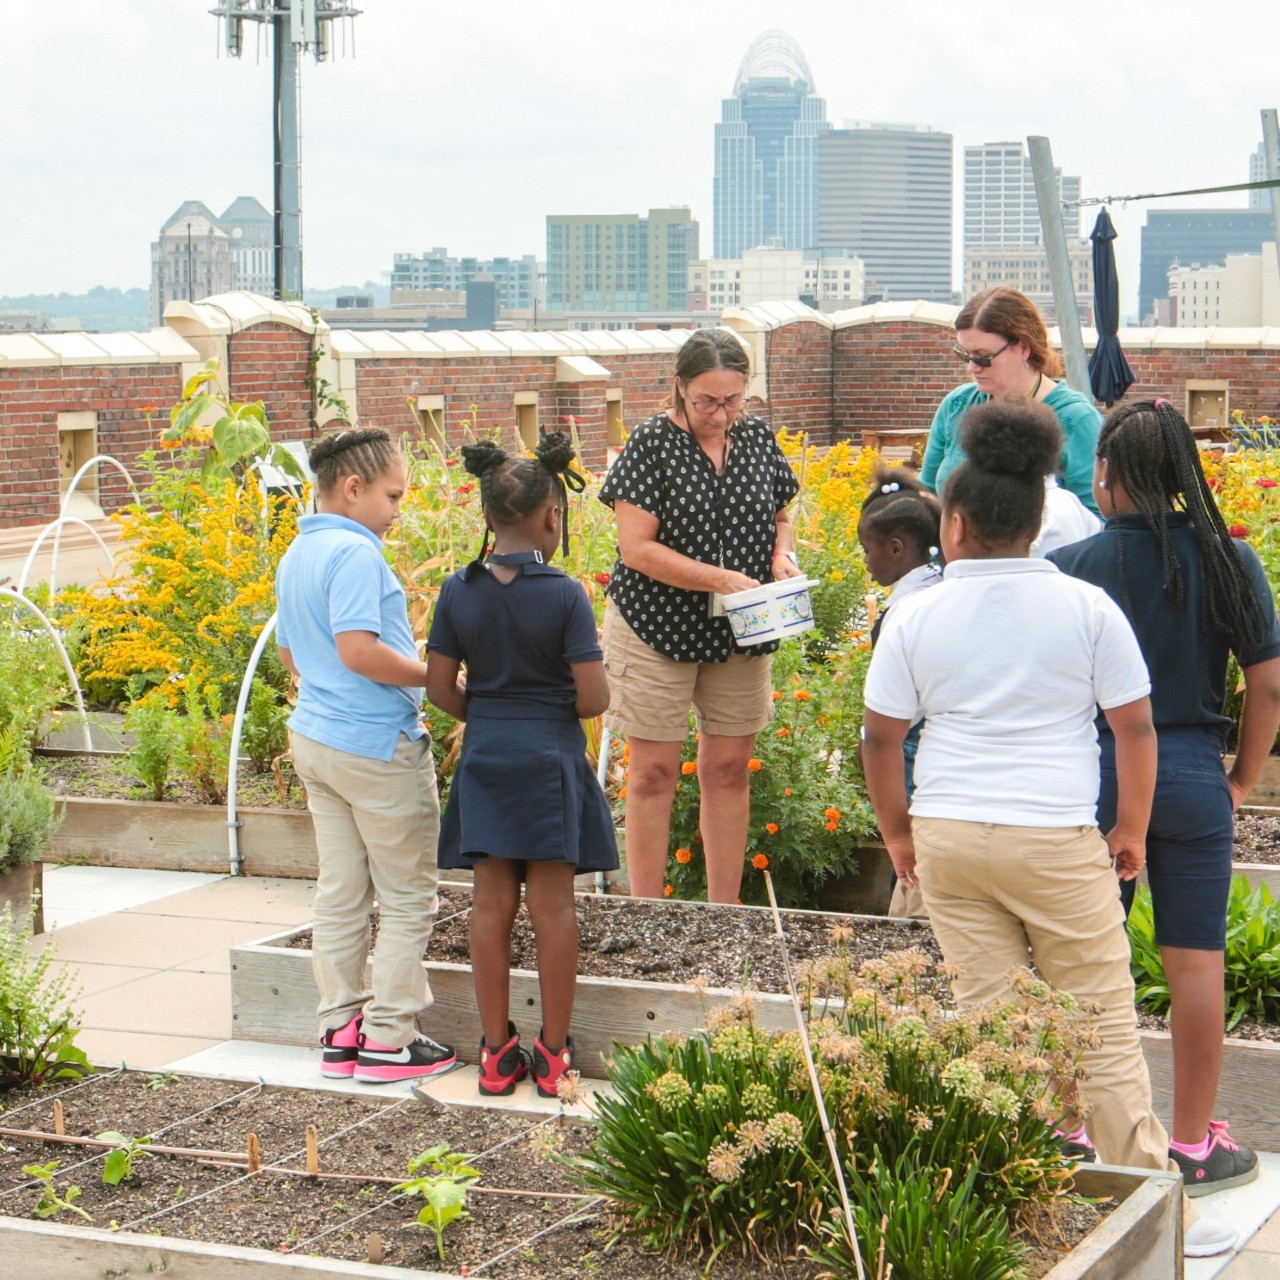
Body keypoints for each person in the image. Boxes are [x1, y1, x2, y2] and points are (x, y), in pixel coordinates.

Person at [861, 399, 1237, 1259]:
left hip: (950, 834)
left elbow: (881, 739)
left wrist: (898, 837)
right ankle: (1158, 1214)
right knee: (1099, 1028)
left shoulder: (916, 612)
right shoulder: (1086, 607)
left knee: (995, 1033)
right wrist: (1131, 827)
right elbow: (1133, 728)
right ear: (1039, 518)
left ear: (950, 523)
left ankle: (1014, 1213)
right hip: (1057, 836)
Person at [1050, 398, 1280, 1196]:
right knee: (1195, 962)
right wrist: (1242, 779)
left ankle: (1072, 1130)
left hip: (1094, 779)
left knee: (1077, 963)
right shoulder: (1230, 560)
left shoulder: (1072, 566)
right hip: (1189, 772)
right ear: (1184, 472)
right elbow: (1270, 683)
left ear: (1104, 470)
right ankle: (1191, 1142)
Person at [426, 432, 616, 1099]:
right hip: (549, 758)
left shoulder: (459, 590)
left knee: (490, 904)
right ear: (551, 517)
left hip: (486, 755)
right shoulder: (565, 595)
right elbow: (593, 696)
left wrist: (488, 712)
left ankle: (495, 1054)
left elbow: (440, 688)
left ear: (486, 517)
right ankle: (554, 1053)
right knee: (553, 908)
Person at [274, 428, 456, 1084]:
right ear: (353, 488)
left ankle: (341, 1028)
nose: (398, 508)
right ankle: (389, 1041)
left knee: (342, 890)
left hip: (317, 741)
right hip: (376, 747)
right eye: (392, 494)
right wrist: (436, 676)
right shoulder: (357, 555)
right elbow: (358, 650)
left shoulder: (297, 552)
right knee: (409, 896)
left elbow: (295, 656)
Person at [598, 328, 801, 904]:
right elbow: (637, 550)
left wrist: (781, 554)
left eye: (733, 399)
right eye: (707, 400)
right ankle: (648, 907)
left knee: (729, 767)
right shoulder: (651, 444)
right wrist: (718, 578)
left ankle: (724, 908)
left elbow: (781, 514)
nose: (720, 412)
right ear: (680, 388)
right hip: (656, 625)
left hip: (744, 625)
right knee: (653, 772)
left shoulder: (757, 438)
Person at [921, 286, 1103, 516]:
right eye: (964, 355)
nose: (971, 367)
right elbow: (926, 495)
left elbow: (1095, 520)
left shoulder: (1077, 419)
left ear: (1023, 347)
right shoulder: (956, 405)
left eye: (983, 357)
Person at [855, 464, 942, 919]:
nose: (866, 562)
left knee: (909, 860)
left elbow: (891, 720)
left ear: (895, 547)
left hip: (912, 750)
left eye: (867, 551)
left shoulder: (904, 611)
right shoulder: (941, 588)